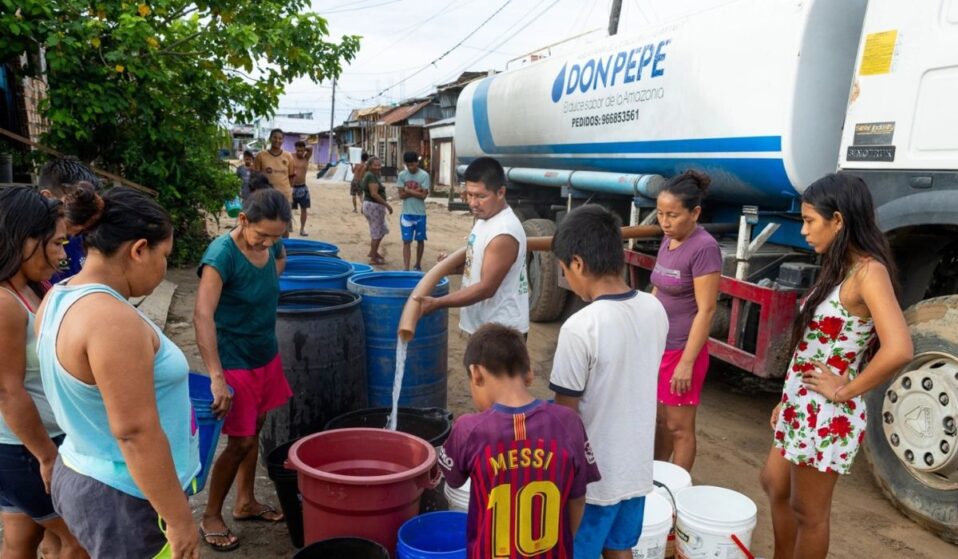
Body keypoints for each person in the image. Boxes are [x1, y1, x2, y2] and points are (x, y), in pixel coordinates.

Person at [35, 186, 201, 559]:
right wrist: (177, 518)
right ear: (139, 249)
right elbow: (135, 432)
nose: (164, 269)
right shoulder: (111, 320)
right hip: (124, 497)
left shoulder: (58, 295)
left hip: (83, 467)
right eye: (165, 256)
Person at [760, 173, 912, 559]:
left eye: (811, 220)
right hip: (802, 403)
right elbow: (812, 345)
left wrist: (844, 390)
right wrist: (787, 398)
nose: (805, 230)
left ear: (839, 220)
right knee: (774, 483)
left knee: (808, 512)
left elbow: (899, 348)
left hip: (827, 412)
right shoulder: (838, 266)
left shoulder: (868, 272)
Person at [549, 205, 668, 559]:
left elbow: (566, 420)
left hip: (593, 484)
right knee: (621, 549)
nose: (568, 279)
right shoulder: (654, 309)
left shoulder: (580, 327)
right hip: (635, 472)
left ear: (578, 263)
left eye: (564, 271)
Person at [439, 323, 600, 558]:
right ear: (529, 373)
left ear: (475, 373)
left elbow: (451, 479)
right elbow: (578, 499)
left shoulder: (469, 428)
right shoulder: (568, 423)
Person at [193, 188, 292, 551]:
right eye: (261, 235)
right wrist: (216, 376)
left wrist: (271, 246)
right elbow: (202, 315)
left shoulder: (273, 245)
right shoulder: (222, 255)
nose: (268, 243)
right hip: (234, 361)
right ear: (243, 219)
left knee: (258, 426)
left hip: (265, 353)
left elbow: (275, 264)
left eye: (277, 236)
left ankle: (245, 501)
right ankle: (210, 515)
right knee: (241, 441)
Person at [0, 188, 87, 559]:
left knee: (22, 541)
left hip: (26, 447)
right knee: (81, 540)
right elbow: (6, 391)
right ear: (24, 241)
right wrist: (47, 456)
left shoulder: (34, 287)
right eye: (55, 243)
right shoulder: (5, 304)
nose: (63, 254)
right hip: (25, 449)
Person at [650, 170, 722, 472]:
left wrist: (687, 363)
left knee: (679, 427)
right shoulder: (669, 240)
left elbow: (706, 310)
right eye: (660, 214)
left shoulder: (704, 248)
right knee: (660, 422)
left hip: (682, 350)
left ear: (695, 213)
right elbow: (658, 286)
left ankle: (676, 490)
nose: (665, 222)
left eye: (673, 215)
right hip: (658, 347)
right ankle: (654, 480)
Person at [417, 157, 529, 336]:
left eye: (480, 196)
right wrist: (452, 267)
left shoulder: (503, 233)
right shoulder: (485, 218)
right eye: (469, 194)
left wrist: (437, 303)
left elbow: (486, 288)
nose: (473, 203)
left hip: (501, 333)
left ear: (501, 192)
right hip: (483, 327)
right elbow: (481, 267)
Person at [38, 157, 102, 284]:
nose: (86, 215)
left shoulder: (80, 235)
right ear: (47, 197)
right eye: (77, 204)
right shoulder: (31, 247)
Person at [397, 151, 430, 271]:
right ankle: (406, 268)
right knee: (406, 241)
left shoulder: (424, 175)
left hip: (420, 214)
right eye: (408, 165)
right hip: (406, 214)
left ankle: (418, 264)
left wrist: (408, 190)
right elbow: (401, 195)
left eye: (413, 164)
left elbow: (423, 196)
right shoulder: (402, 175)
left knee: (420, 240)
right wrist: (417, 191)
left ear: (417, 162)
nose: (410, 167)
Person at [360, 156, 393, 265]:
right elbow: (374, 194)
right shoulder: (371, 176)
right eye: (376, 165)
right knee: (376, 233)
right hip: (374, 206)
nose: (378, 167)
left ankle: (373, 252)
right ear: (370, 166)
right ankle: (373, 258)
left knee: (381, 230)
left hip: (373, 206)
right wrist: (387, 205)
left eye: (379, 165)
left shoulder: (372, 175)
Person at [253, 129, 295, 206]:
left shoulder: (288, 156)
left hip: (284, 196)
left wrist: (289, 191)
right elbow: (255, 176)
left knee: (284, 218)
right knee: (266, 218)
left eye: (280, 138)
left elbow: (291, 177)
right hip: (266, 196)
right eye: (274, 137)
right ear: (270, 139)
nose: (277, 140)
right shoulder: (260, 155)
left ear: (283, 141)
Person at [290, 141, 313, 236]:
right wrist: (298, 149)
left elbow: (311, 148)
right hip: (291, 187)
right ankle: (288, 227)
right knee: (288, 209)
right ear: (295, 149)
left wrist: (304, 149)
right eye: (298, 150)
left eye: (302, 151)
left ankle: (302, 229)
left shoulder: (306, 157)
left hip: (302, 187)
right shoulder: (291, 156)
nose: (300, 153)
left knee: (304, 209)